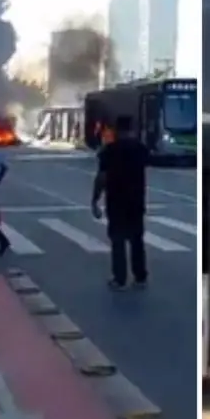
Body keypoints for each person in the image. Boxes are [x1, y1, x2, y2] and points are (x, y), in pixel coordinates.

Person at [91, 115, 149, 289]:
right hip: (136, 201)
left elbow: (101, 177)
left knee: (118, 241)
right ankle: (140, 276)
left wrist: (95, 200)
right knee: (137, 240)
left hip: (116, 201)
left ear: (116, 130)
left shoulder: (109, 151)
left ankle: (120, 278)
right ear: (132, 128)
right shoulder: (141, 149)